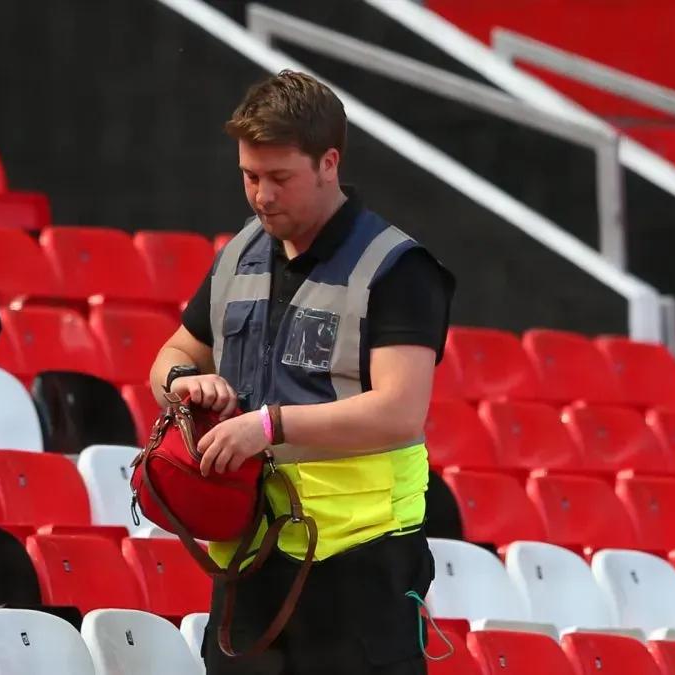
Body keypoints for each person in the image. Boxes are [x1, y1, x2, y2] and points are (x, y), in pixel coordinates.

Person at [149, 70, 454, 674]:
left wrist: (267, 426)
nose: (262, 195)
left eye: (280, 178)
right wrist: (182, 381)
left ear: (328, 163)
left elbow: (399, 412)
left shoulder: (396, 268)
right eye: (250, 176)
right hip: (249, 560)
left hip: (361, 565)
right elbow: (172, 354)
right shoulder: (238, 255)